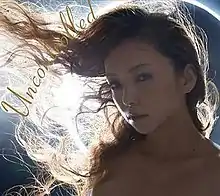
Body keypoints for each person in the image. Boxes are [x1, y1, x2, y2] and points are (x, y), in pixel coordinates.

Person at [0, 0, 220, 195]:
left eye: (143, 77)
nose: (127, 99)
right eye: (115, 84)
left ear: (186, 79)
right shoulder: (110, 166)